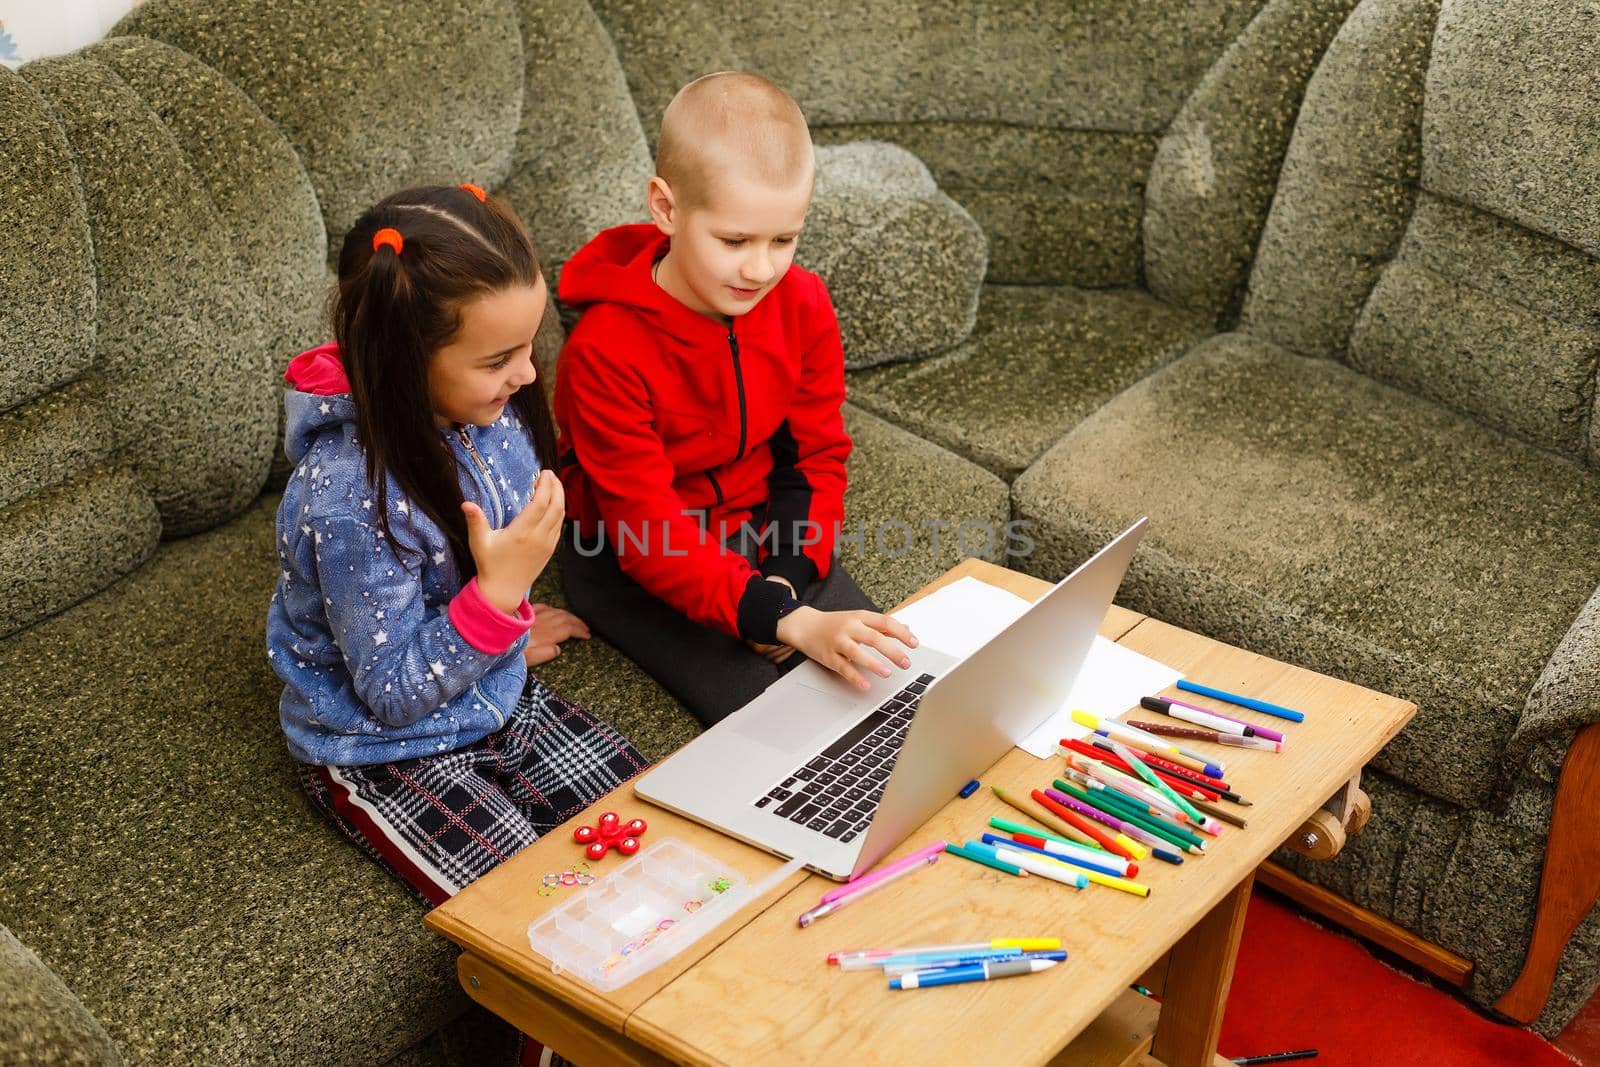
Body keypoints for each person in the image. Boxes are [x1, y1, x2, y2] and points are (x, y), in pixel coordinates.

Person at [265, 183, 643, 1067]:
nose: (528, 375)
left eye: (529, 344)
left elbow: (488, 548)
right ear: (404, 359)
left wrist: (501, 625)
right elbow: (393, 694)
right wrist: (497, 603)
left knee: (667, 853)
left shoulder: (488, 412)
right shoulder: (347, 499)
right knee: (557, 945)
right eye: (499, 357)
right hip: (384, 751)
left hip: (494, 688)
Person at [554, 72, 918, 726]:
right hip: (635, 552)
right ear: (666, 208)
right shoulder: (603, 352)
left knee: (892, 685)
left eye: (784, 239)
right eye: (735, 240)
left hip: (760, 525)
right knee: (774, 727)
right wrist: (776, 616)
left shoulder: (802, 303)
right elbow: (648, 531)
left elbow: (815, 458)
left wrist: (782, 580)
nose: (761, 269)